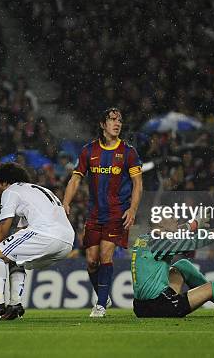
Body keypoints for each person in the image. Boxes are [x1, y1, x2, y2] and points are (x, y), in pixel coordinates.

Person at [0, 162, 75, 320]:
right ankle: (14, 306)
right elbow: (18, 235)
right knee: (14, 259)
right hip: (66, 241)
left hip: (46, 233)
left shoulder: (11, 191)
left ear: (5, 182)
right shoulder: (38, 190)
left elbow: (3, 228)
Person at [63, 107, 143, 317]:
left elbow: (138, 184)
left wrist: (132, 209)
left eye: (120, 120)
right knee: (91, 260)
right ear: (102, 124)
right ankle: (102, 294)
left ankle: (100, 306)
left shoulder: (128, 152)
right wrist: (65, 203)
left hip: (116, 213)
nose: (117, 124)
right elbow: (75, 178)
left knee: (106, 254)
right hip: (94, 213)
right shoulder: (89, 151)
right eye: (112, 120)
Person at [131, 219, 214, 318]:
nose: (176, 218)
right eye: (171, 216)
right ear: (160, 223)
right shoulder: (160, 243)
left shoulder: (144, 238)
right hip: (160, 306)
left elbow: (174, 234)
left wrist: (192, 225)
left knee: (182, 265)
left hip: (140, 306)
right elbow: (192, 243)